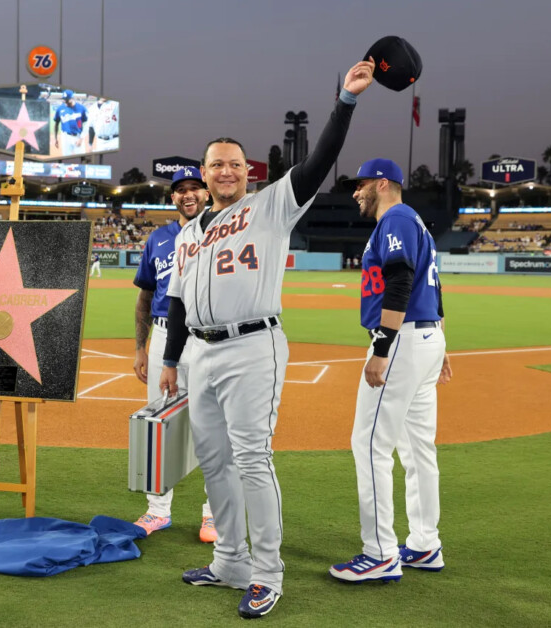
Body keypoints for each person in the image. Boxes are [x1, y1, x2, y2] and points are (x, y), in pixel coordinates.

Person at [159, 59, 375, 619]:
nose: (225, 172)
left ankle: (267, 573)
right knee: (213, 463)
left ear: (247, 171)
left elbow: (321, 160)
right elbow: (178, 302)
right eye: (216, 165)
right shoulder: (188, 232)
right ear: (202, 174)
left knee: (252, 460)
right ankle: (229, 561)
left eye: (234, 164)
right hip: (201, 352)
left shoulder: (271, 203)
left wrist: (345, 101)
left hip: (253, 346)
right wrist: (170, 359)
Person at [329, 159, 451, 582]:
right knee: (417, 449)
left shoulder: (396, 217)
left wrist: (382, 347)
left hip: (400, 342)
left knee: (369, 443)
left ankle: (380, 553)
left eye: (360, 185)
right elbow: (431, 284)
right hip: (424, 337)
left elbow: (401, 280)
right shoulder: (413, 220)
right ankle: (424, 543)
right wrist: (441, 341)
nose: (355, 193)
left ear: (382, 183)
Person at [131, 167, 215, 542]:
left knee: (213, 426)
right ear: (172, 198)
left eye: (195, 187)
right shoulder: (159, 239)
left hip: (207, 338)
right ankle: (157, 510)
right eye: (180, 190)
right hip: (164, 336)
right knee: (158, 424)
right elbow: (145, 297)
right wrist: (139, 347)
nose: (188, 194)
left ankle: (214, 513)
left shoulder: (222, 231)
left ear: (207, 193)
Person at [53, 89, 88, 157]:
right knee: (66, 158)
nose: (65, 102)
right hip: (66, 137)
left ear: (72, 98)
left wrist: (81, 139)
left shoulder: (81, 108)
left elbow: (87, 124)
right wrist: (56, 139)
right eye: (64, 100)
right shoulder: (60, 109)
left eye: (67, 100)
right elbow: (56, 123)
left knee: (82, 158)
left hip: (78, 136)